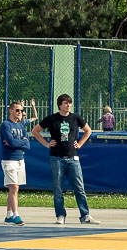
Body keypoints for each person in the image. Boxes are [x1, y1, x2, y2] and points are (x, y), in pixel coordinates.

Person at [31, 94, 101, 225]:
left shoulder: (75, 118)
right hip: (56, 158)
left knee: (79, 188)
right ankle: (60, 215)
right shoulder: (52, 119)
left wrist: (80, 144)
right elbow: (35, 131)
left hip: (73, 158)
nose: (68, 105)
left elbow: (88, 131)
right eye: (65, 103)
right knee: (58, 188)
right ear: (60, 105)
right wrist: (46, 144)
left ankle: (85, 215)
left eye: (69, 103)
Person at [0, 101, 30, 226]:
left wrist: (19, 142)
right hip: (9, 159)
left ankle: (8, 216)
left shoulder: (21, 126)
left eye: (21, 111)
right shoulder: (6, 125)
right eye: (17, 110)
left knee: (14, 189)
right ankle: (16, 215)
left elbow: (28, 144)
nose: (20, 113)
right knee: (14, 188)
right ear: (11, 111)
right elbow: (11, 142)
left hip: (20, 160)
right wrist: (20, 142)